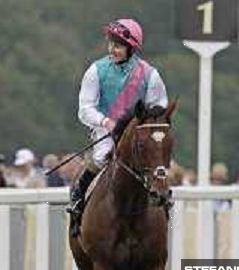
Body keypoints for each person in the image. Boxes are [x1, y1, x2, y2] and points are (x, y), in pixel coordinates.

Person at [66, 18, 169, 236]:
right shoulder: (96, 70)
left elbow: (159, 111)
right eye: (111, 43)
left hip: (137, 135)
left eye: (119, 45)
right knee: (101, 157)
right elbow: (84, 109)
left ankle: (163, 203)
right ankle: (77, 204)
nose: (113, 49)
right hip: (105, 131)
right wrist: (105, 121)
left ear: (131, 48)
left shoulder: (150, 75)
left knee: (155, 166)